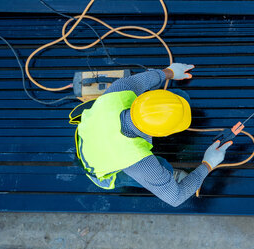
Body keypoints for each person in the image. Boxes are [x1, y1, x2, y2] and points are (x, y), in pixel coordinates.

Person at [75, 63, 232, 207]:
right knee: (164, 168)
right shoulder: (138, 162)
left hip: (89, 133)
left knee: (180, 97)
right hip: (100, 169)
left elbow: (145, 79)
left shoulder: (120, 90)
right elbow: (176, 197)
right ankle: (155, 177)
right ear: (160, 134)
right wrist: (207, 165)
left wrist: (169, 72)